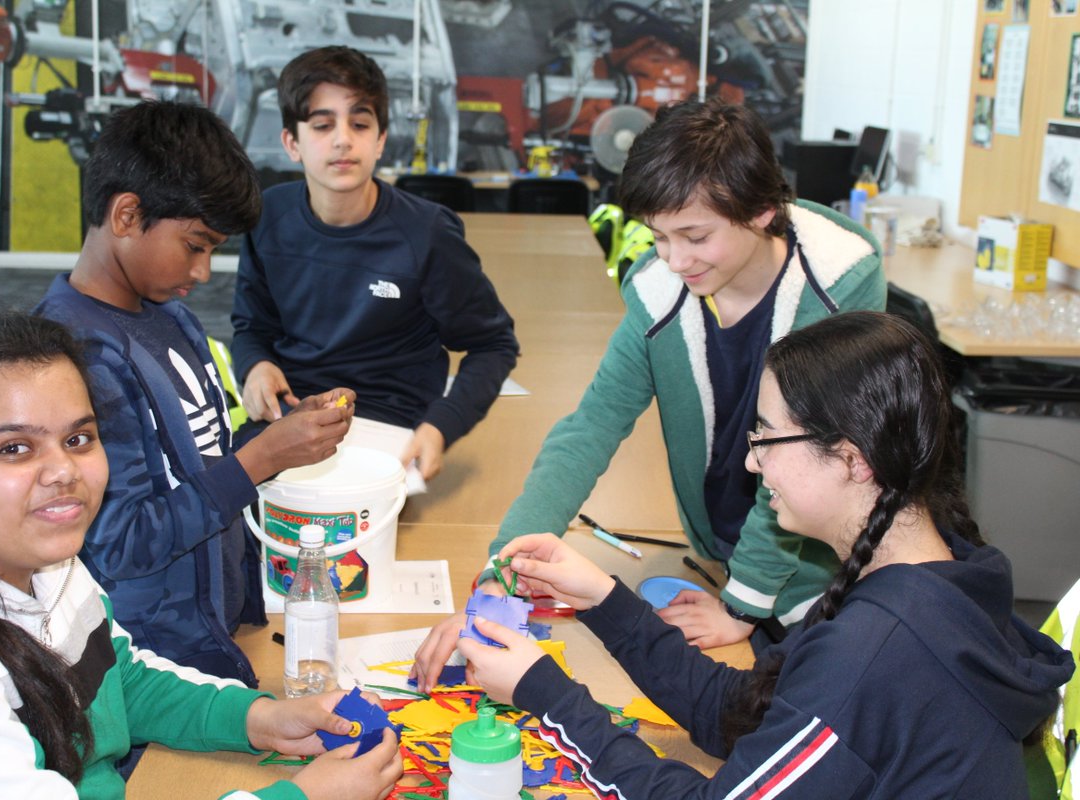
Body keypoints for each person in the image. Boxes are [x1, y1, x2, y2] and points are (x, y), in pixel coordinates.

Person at [456, 311, 1074, 798]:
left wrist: (547, 695)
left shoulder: (878, 650)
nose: (753, 461)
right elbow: (741, 714)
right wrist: (603, 600)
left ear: (852, 459)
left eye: (768, 436)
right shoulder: (946, 573)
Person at [413, 98, 885, 685]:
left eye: (695, 236)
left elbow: (804, 457)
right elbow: (591, 427)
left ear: (764, 210)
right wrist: (504, 569)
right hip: (719, 555)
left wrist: (743, 603)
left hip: (822, 574)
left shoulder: (837, 288)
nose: (675, 259)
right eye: (659, 236)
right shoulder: (663, 292)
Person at [0, 312, 402, 799]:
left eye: (78, 438)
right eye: (14, 448)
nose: (64, 471)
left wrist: (260, 719)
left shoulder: (35, 555)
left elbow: (119, 680)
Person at [36, 100, 355, 687]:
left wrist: (280, 435)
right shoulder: (73, 358)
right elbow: (122, 544)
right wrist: (262, 459)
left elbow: (201, 458)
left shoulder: (173, 319)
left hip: (215, 628)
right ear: (127, 215)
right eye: (195, 245)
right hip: (153, 664)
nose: (204, 271)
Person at [230, 45, 519, 482]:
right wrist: (255, 366)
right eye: (322, 125)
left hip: (389, 431)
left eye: (360, 124)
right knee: (220, 503)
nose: (343, 139)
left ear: (380, 139)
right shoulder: (268, 216)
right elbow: (252, 327)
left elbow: (494, 343)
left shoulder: (427, 233)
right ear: (291, 142)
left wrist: (441, 426)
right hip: (289, 419)